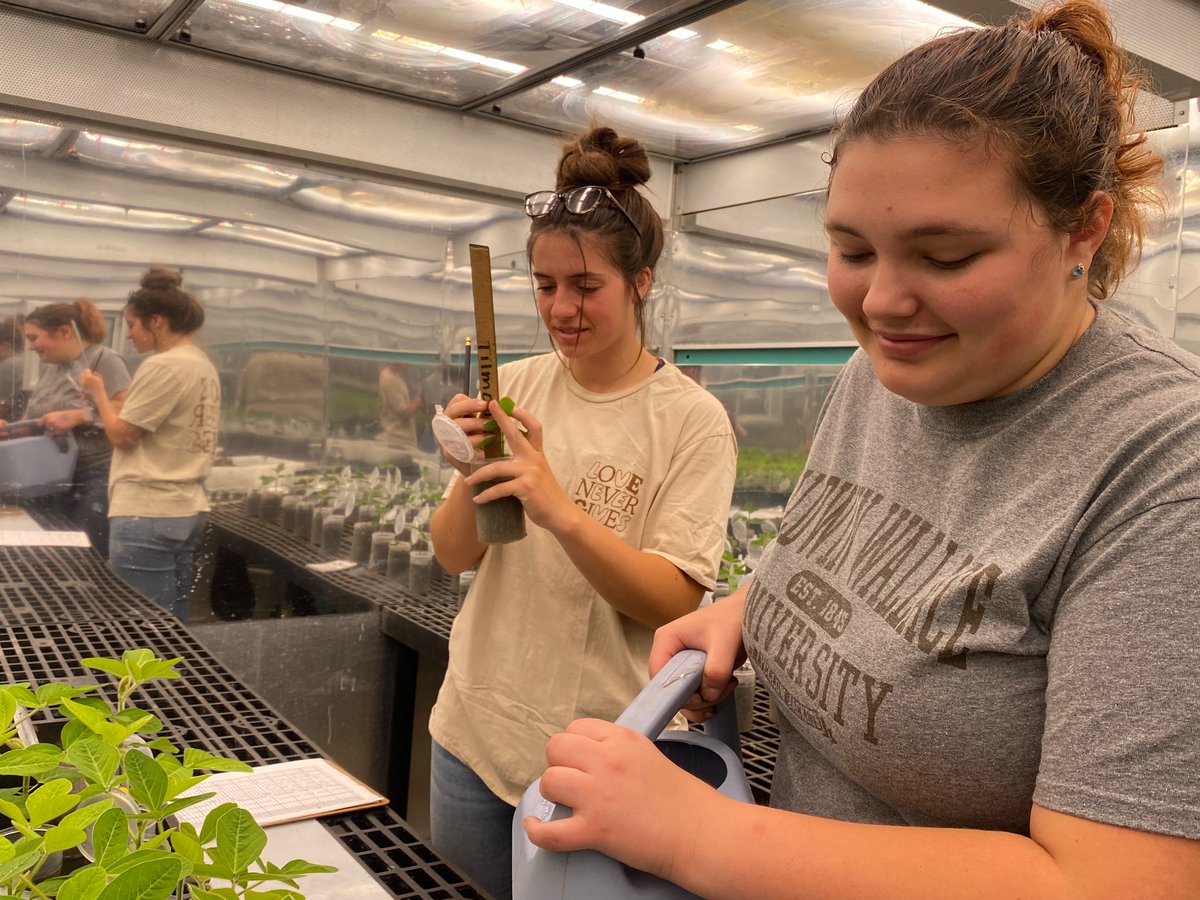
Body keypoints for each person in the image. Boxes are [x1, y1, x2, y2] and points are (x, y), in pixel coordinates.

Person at [522, 2, 1200, 897]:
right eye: (850, 249)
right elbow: (880, 559)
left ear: (1083, 228)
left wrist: (700, 838)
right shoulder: (880, 374)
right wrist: (749, 611)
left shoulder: (1160, 463)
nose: (881, 302)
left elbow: (1120, 883)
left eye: (946, 255)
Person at [427, 126, 738, 898]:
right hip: (471, 734)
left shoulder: (691, 420)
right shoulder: (518, 387)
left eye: (586, 286)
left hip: (599, 759)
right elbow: (451, 555)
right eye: (544, 284)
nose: (561, 308)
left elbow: (673, 597)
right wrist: (472, 473)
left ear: (641, 283)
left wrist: (557, 507)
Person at [81, 267, 220, 621]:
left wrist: (98, 394)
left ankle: (150, 680)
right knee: (173, 619)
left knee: (140, 624)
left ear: (156, 321)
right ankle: (178, 677)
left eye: (131, 324)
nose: (128, 335)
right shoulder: (201, 364)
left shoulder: (163, 365)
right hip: (185, 507)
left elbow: (123, 435)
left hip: (148, 510)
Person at [12, 300, 131, 553]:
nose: (30, 346)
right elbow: (34, 417)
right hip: (51, 477)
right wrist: (11, 430)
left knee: (89, 553)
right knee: (56, 551)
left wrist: (78, 416)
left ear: (65, 332)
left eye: (34, 338)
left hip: (92, 478)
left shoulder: (104, 360)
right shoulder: (52, 369)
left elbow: (126, 411)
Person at [0, 315, 26, 421]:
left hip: (9, 425)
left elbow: (2, 406)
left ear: (4, 346)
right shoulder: (25, 360)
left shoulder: (9, 366)